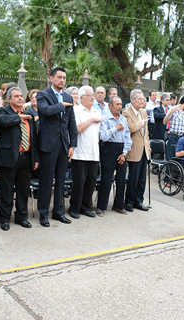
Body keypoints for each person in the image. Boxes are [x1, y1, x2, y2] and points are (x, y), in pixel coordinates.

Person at [36, 67, 78, 227]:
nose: (62, 80)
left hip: (63, 145)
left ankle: (58, 212)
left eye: (64, 78)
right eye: (59, 77)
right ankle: (43, 213)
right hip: (48, 144)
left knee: (61, 180)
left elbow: (71, 123)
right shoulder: (43, 94)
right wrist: (61, 105)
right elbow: (45, 111)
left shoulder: (68, 96)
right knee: (46, 180)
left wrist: (73, 145)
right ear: (51, 78)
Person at [0, 87, 38, 230]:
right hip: (9, 157)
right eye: (16, 96)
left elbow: (34, 137)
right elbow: (2, 121)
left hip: (26, 157)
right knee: (6, 190)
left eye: (21, 96)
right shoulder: (3, 111)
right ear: (9, 99)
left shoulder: (29, 112)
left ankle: (21, 217)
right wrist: (19, 118)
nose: (20, 98)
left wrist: (35, 158)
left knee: (23, 190)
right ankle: (5, 219)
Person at [67, 86, 102, 219]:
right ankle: (74, 208)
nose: (93, 97)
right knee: (79, 182)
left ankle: (86, 207)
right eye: (90, 95)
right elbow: (77, 129)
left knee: (91, 182)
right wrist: (91, 120)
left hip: (94, 152)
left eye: (93, 95)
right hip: (80, 152)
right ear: (81, 98)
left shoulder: (96, 110)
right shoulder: (76, 110)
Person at [97, 96, 132, 216]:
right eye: (116, 104)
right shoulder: (105, 119)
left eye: (120, 104)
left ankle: (118, 205)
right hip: (109, 149)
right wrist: (115, 128)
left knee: (121, 179)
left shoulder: (123, 119)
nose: (119, 107)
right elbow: (103, 136)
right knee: (106, 179)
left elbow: (128, 137)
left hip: (121, 149)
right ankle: (101, 207)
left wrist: (124, 153)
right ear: (110, 106)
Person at [123, 89, 150, 212]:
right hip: (133, 150)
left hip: (144, 149)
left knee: (142, 178)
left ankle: (139, 201)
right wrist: (141, 122)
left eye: (143, 99)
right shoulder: (126, 113)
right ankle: (129, 202)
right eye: (139, 99)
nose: (142, 101)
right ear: (132, 100)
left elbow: (146, 132)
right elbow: (131, 128)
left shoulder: (143, 112)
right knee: (132, 178)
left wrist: (148, 144)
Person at [164, 95, 184, 160]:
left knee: (180, 158)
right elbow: (164, 122)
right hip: (173, 136)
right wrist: (170, 112)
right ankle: (168, 170)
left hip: (182, 136)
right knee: (171, 157)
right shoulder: (173, 109)